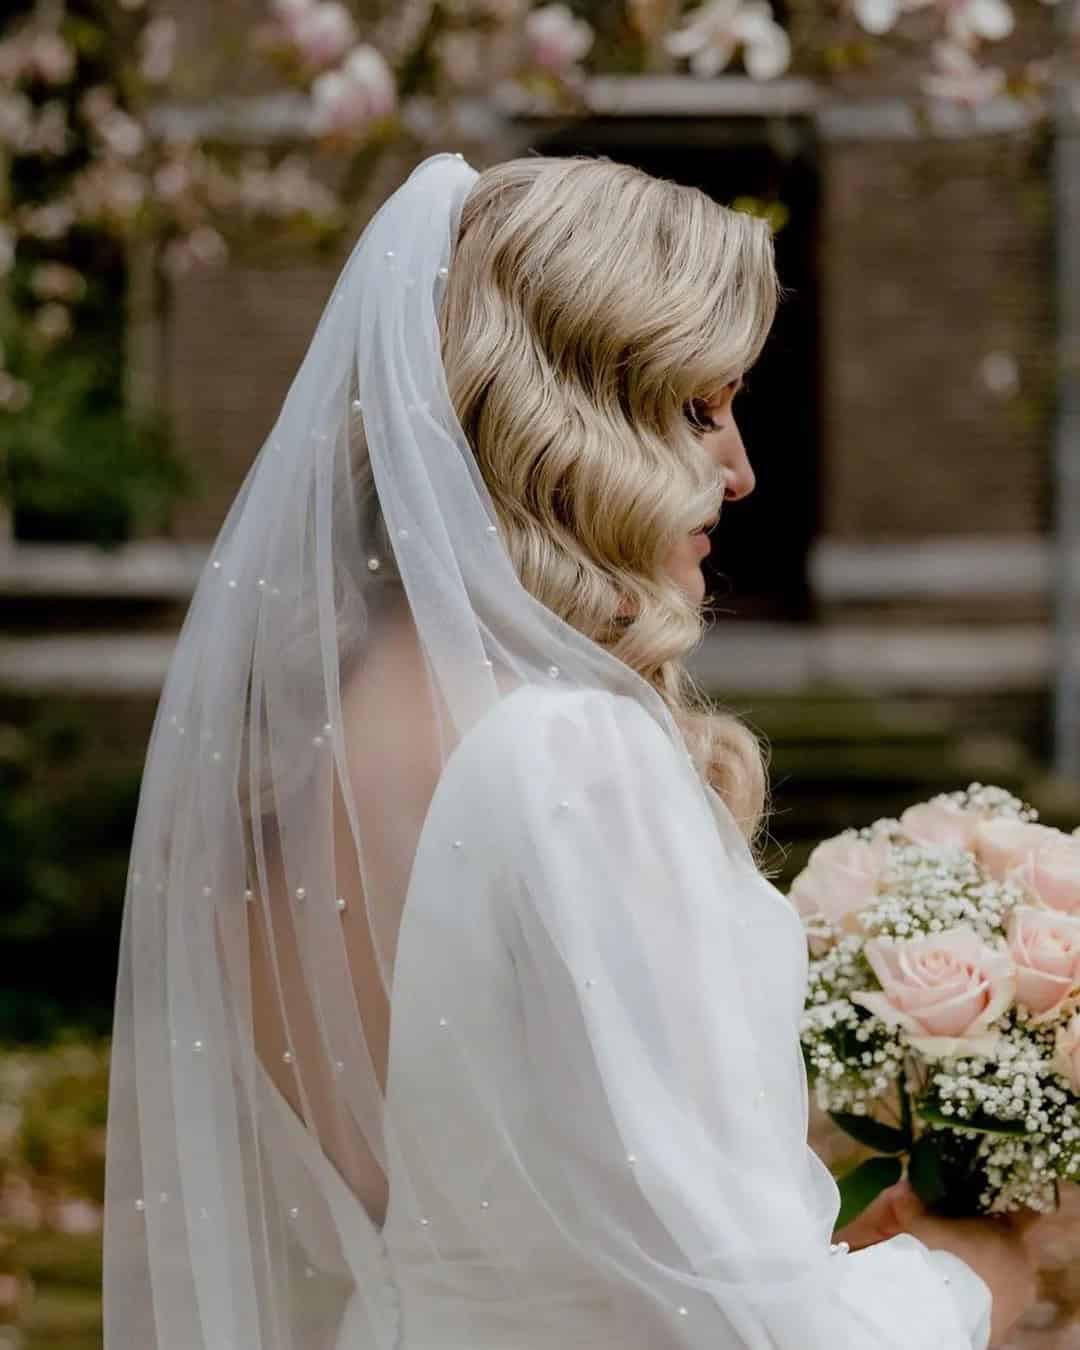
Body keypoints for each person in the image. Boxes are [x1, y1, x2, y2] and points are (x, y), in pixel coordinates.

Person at [102, 151, 1037, 1350]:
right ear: (577, 419)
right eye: (698, 409)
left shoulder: (295, 757)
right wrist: (967, 1277)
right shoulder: (571, 756)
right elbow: (770, 1332)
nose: (741, 468)